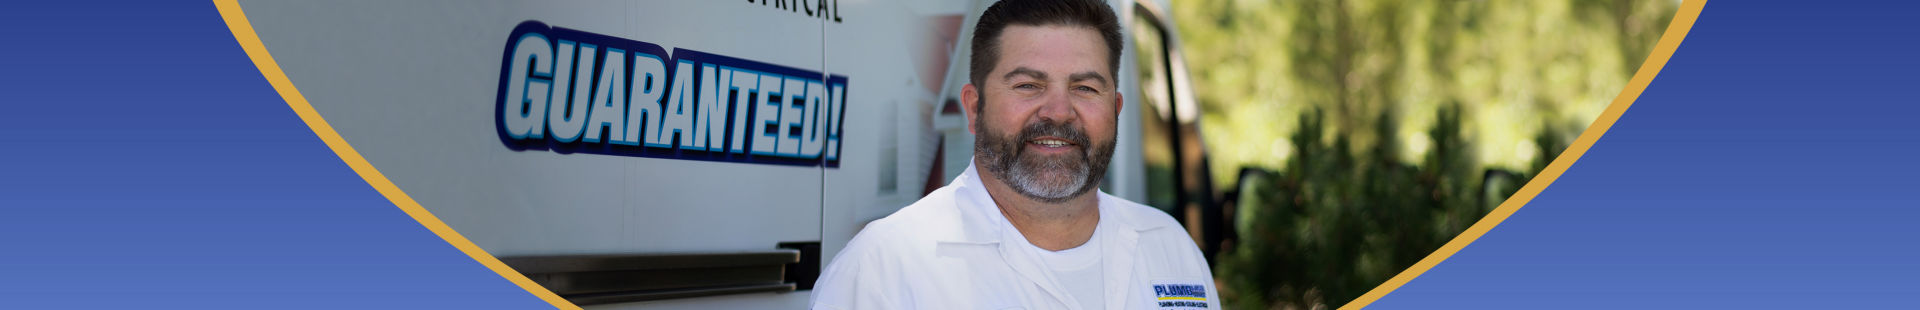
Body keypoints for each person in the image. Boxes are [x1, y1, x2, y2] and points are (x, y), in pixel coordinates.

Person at [809, 0, 1218, 309]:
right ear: (973, 108)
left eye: (1085, 88)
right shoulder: (884, 268)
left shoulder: (1169, 247)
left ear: (1115, 110)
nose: (1058, 111)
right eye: (1027, 85)